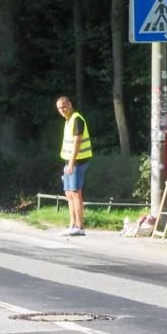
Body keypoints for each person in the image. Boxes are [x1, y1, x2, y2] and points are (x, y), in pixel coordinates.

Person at [55, 96, 91, 236]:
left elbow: (77, 141)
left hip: (77, 161)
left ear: (70, 104)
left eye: (64, 106)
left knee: (76, 193)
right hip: (69, 162)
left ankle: (79, 226)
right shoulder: (68, 120)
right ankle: (72, 224)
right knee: (69, 193)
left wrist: (71, 162)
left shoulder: (76, 118)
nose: (62, 110)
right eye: (59, 108)